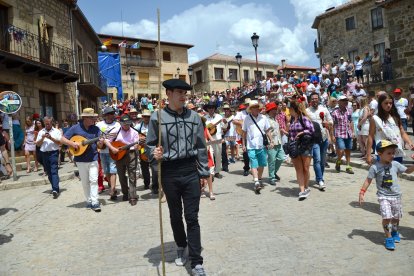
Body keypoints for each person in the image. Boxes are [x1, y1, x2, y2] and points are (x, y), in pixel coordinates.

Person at [145, 79, 209, 275]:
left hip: (190, 170)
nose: (184, 96)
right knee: (175, 215)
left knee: (192, 217)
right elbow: (149, 145)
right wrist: (153, 154)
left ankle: (197, 261)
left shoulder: (195, 117)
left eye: (185, 93)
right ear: (169, 94)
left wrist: (204, 172)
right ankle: (181, 245)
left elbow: (200, 146)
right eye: (180, 92)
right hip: (169, 172)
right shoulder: (157, 117)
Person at [359, 140, 414, 250]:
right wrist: (362, 192)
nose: (392, 155)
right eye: (389, 153)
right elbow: (368, 180)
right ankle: (388, 238)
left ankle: (394, 232)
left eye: (393, 153)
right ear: (379, 154)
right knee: (387, 216)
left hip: (396, 196)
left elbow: (407, 171)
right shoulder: (374, 167)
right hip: (383, 196)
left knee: (396, 217)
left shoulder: (395, 164)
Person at [60, 108, 104, 212]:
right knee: (85, 182)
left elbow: (98, 144)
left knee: (94, 180)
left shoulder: (96, 129)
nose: (94, 119)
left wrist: (101, 143)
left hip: (93, 158)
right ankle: (88, 201)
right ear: (85, 118)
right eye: (91, 118)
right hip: (80, 159)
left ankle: (95, 201)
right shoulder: (75, 128)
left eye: (94, 118)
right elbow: (62, 139)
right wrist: (72, 144)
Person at [366, 94, 414, 165]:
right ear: (381, 104)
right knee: (384, 173)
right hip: (383, 152)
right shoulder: (375, 119)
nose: (388, 105)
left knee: (395, 173)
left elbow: (402, 132)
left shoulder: (395, 117)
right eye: (386, 103)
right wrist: (368, 155)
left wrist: (410, 142)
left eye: (390, 103)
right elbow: (370, 136)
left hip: (396, 151)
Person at [106, 114, 139, 206]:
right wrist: (112, 148)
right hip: (119, 155)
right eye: (124, 124)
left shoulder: (134, 132)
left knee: (132, 175)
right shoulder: (116, 131)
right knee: (121, 176)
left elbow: (136, 144)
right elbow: (106, 140)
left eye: (128, 124)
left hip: (131, 154)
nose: (126, 126)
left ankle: (132, 196)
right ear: (120, 123)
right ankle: (125, 193)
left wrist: (136, 146)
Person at [288, 98, 315, 200]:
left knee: (305, 168)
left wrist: (302, 132)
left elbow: (311, 130)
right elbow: (291, 133)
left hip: (305, 146)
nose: (288, 110)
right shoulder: (292, 120)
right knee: (298, 169)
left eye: (290, 108)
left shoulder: (303, 118)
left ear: (294, 109)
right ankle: (302, 190)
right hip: (294, 146)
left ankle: (306, 186)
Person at [242, 100, 271, 194]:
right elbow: (244, 132)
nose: (255, 109)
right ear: (250, 109)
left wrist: (271, 140)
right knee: (253, 163)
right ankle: (256, 181)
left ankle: (259, 178)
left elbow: (267, 130)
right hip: (251, 145)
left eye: (256, 107)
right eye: (253, 107)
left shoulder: (264, 118)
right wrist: (243, 144)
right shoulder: (247, 118)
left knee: (262, 163)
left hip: (262, 145)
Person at [306, 92, 333, 190]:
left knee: (322, 161)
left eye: (316, 98)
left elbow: (331, 122)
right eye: (312, 99)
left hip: (324, 137)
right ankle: (320, 179)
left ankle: (319, 177)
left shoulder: (324, 109)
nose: (314, 100)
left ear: (319, 99)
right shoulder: (307, 111)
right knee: (316, 160)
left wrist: (327, 123)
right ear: (310, 100)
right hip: (314, 139)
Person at [96, 107, 120, 200]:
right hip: (102, 151)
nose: (111, 115)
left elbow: (119, 137)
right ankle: (111, 187)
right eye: (109, 114)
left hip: (112, 150)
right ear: (105, 115)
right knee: (106, 171)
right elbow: (97, 137)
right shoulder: (99, 125)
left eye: (112, 113)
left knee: (113, 169)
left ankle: (112, 189)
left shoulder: (117, 125)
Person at [35, 117, 62, 199]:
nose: (47, 125)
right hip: (44, 153)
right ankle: (54, 186)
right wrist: (43, 138)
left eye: (49, 123)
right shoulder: (41, 132)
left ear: (51, 123)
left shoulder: (56, 131)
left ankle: (55, 189)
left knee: (54, 170)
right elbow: (38, 144)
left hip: (54, 153)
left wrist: (51, 138)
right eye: (46, 123)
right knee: (49, 172)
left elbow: (59, 143)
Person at [204, 101, 227, 178]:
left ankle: (217, 172)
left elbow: (224, 127)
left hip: (218, 138)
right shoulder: (205, 118)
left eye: (212, 108)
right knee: (210, 155)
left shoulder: (219, 117)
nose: (211, 109)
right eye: (209, 108)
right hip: (208, 139)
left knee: (218, 155)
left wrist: (225, 123)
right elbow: (205, 129)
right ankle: (211, 173)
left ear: (214, 108)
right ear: (207, 109)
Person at [136, 109, 158, 193]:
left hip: (153, 148)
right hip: (142, 149)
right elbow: (134, 135)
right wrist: (139, 138)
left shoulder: (154, 125)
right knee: (144, 166)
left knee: (155, 168)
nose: (146, 118)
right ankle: (146, 183)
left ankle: (155, 185)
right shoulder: (138, 126)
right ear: (142, 117)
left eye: (148, 116)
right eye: (145, 116)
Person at [265, 102, 284, 185]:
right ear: (270, 110)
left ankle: (274, 172)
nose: (276, 110)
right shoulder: (266, 120)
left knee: (281, 158)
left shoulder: (275, 119)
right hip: (271, 143)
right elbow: (266, 132)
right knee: (271, 160)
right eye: (274, 109)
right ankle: (271, 177)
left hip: (279, 141)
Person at [233, 99, 251, 176]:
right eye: (246, 104)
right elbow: (234, 121)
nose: (248, 106)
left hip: (253, 135)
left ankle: (255, 167)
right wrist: (242, 123)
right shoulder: (241, 113)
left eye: (249, 104)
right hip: (245, 135)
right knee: (245, 153)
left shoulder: (254, 112)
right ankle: (246, 168)